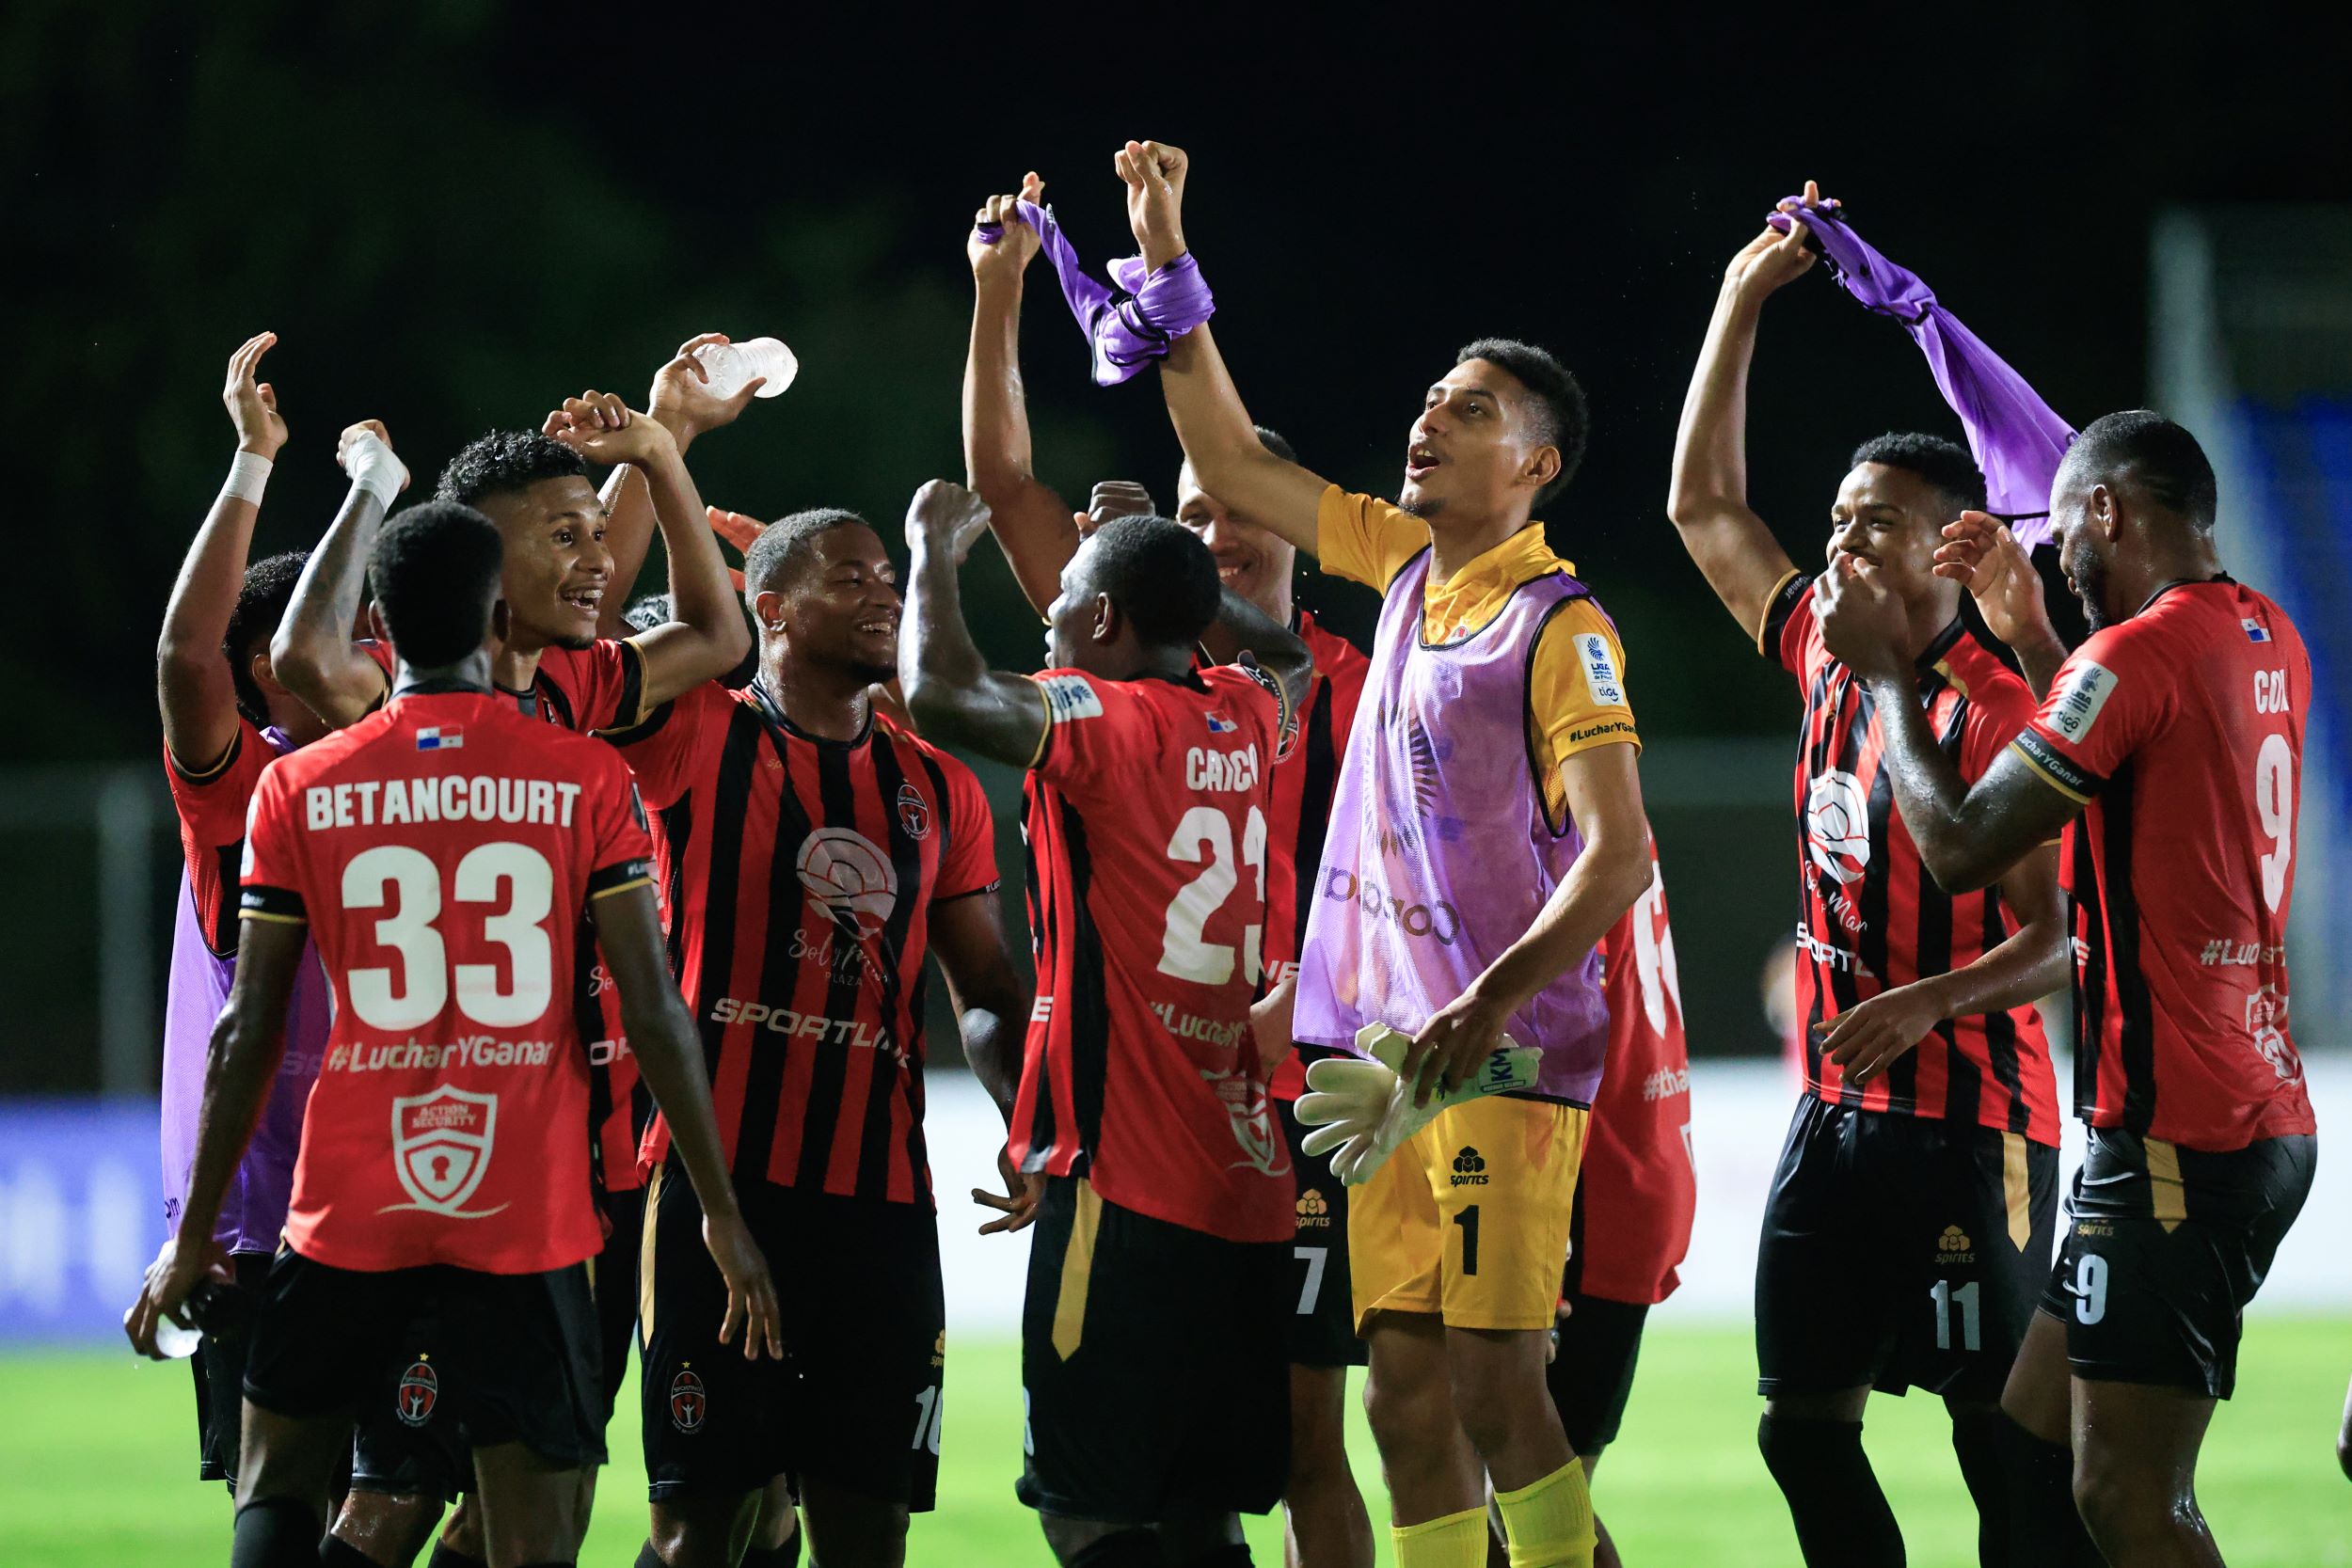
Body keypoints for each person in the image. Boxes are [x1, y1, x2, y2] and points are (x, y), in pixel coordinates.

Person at [1119, 137, 1653, 1568]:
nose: (1427, 418)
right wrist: (1168, 261)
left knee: (1494, 1386)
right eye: (1428, 399)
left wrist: (1488, 998)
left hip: (1500, 1056)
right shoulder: (1410, 569)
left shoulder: (1562, 627)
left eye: (1468, 409)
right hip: (1387, 1062)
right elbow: (1226, 462)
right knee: (1406, 1406)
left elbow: (1619, 858)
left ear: (1533, 464)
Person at [125, 499, 782, 1568]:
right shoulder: (580, 775)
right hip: (524, 1204)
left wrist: (195, 1231)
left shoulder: (302, 781)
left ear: (380, 621)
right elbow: (654, 1007)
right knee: (530, 1528)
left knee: (280, 1487)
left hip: (344, 1202)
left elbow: (243, 1024)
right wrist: (716, 1208)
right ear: (500, 619)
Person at [271, 359, 755, 1566]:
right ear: (477, 568)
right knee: (386, 1503)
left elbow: (719, 633)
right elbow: (307, 658)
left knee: (527, 1514)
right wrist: (376, 495)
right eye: (560, 537)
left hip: (576, 1176)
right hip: (436, 1166)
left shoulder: (583, 692)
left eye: (598, 533)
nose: (595, 559)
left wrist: (659, 454)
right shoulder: (398, 688)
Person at [1815, 410, 2319, 1566]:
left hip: (2178, 1136)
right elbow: (2129, 762)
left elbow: (1958, 846)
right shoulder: (2261, 631)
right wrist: (2038, 641)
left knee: (2130, 1498)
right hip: (2236, 1108)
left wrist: (1889, 672)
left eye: (2063, 537)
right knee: (2029, 1445)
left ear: (2106, 510)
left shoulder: (2134, 653)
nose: (2056, 556)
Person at [961, 172, 1375, 1568]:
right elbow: (1008, 484)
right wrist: (1003, 295)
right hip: (1191, 1115)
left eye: (1238, 510)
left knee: (1328, 1444)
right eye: (1193, 518)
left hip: (1317, 1102)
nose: (1219, 532)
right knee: (1239, 1474)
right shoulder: (1159, 681)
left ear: (1299, 533)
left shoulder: (1359, 685)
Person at [1666, 186, 2072, 1567]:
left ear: (1953, 547)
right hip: (1834, 1115)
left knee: (1993, 1438)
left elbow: (2064, 935)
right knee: (1800, 1426)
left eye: (1875, 525)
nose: (1839, 545)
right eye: (1836, 519)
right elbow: (1703, 506)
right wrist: (1740, 298)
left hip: (1977, 1126)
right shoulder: (1822, 656)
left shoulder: (1996, 707)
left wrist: (1929, 1000)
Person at [899, 477, 1313, 1568]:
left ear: (1098, 621)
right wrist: (1171, 574)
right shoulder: (1253, 708)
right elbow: (1290, 657)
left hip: (1129, 1182)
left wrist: (933, 549)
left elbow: (939, 692)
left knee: (1088, 1506)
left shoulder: (1107, 719)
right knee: (1201, 1507)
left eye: (1067, 596)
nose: (1048, 613)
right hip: (1246, 1183)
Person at [608, 500, 1029, 1568]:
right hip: (719, 1189)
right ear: (773, 610)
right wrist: (664, 457)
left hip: (879, 1206)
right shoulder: (699, 733)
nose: (883, 592)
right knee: (703, 1520)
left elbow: (983, 982)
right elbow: (588, 656)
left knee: (868, 1524)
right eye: (850, 577)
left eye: (888, 573)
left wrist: (1030, 1115)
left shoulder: (935, 784)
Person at [149, 332, 344, 1501]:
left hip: (400, 1197)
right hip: (258, 1221)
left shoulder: (410, 780)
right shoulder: (247, 789)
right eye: (339, 629)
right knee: (285, 1505)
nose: (367, 646)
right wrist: (251, 464)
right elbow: (184, 652)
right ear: (272, 666)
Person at [1515, 846, 1695, 1568]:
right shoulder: (1610, 792)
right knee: (1532, 1500)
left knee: (1531, 1499)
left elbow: (1549, 1023)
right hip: (1636, 1163)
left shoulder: (1558, 802)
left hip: (1592, 1184)